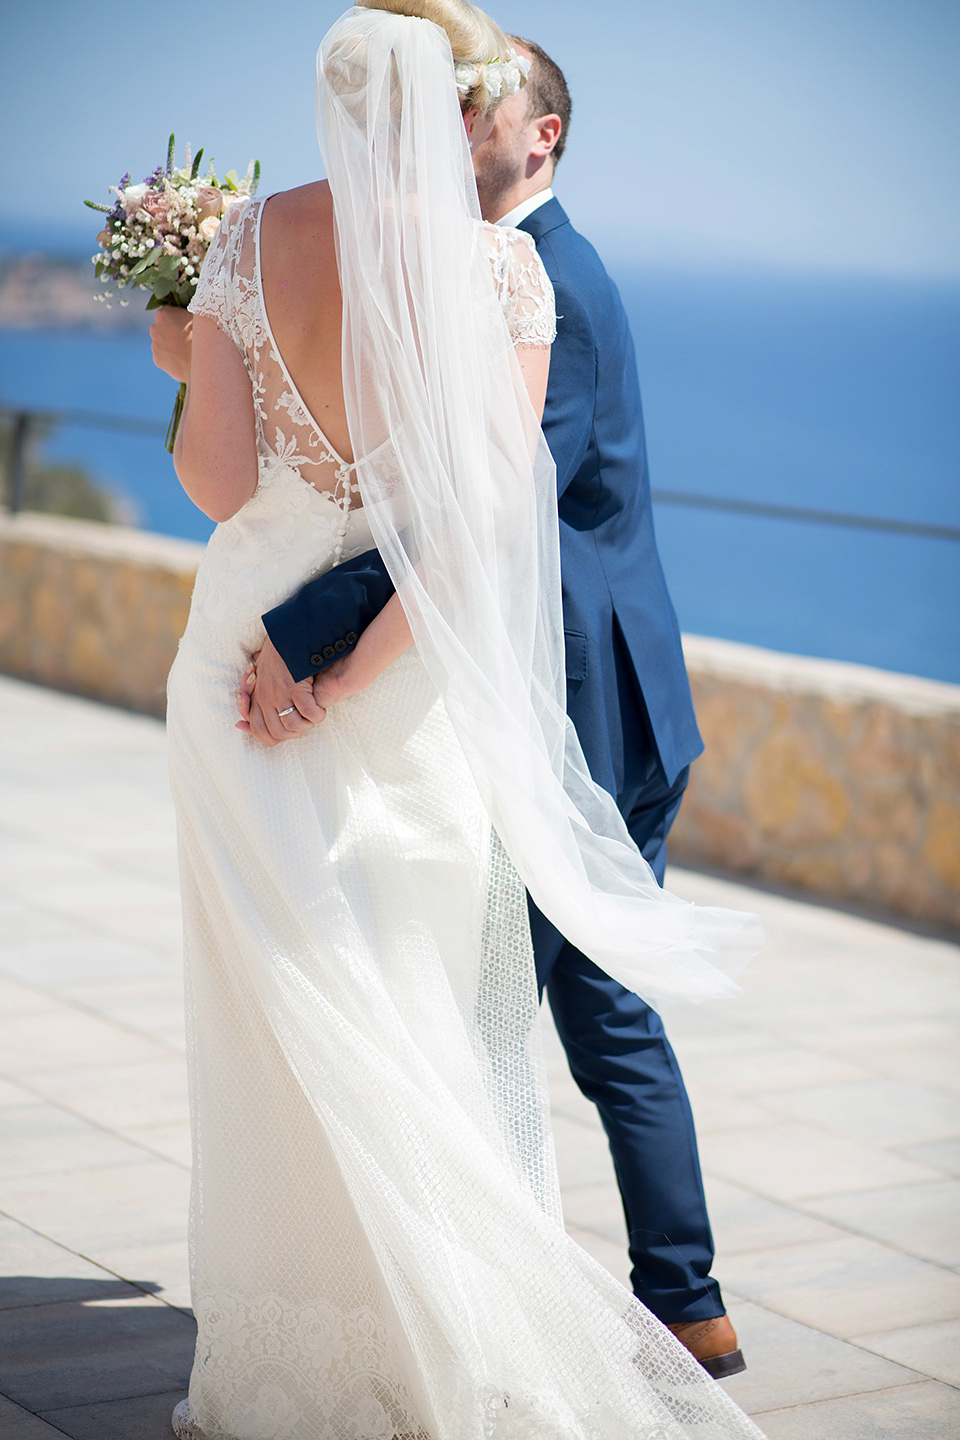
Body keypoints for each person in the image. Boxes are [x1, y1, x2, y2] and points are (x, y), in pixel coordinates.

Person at [151, 2, 764, 1436]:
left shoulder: (242, 244)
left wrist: (190, 360)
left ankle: (314, 1355)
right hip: (404, 693)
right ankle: (460, 1320)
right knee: (419, 1009)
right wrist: (354, 681)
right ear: (455, 106)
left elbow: (220, 490)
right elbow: (484, 531)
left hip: (239, 669)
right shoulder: (503, 279)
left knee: (279, 1020)